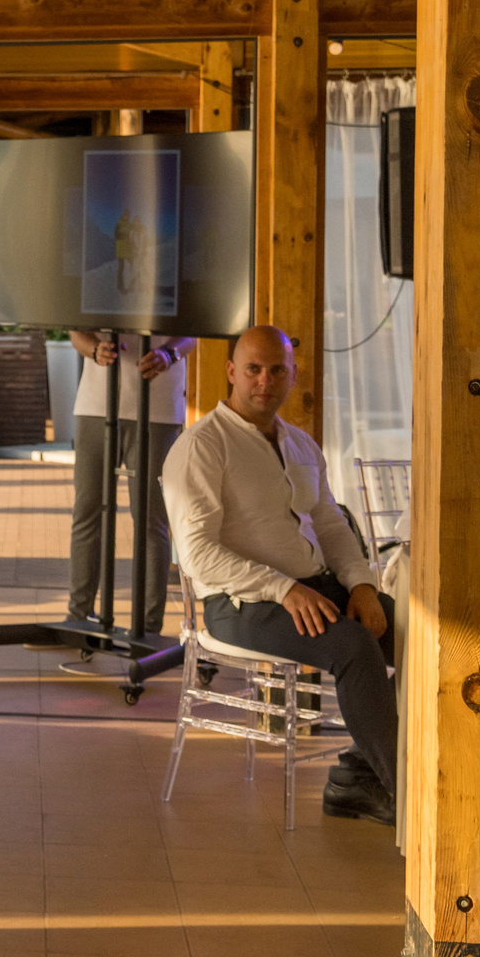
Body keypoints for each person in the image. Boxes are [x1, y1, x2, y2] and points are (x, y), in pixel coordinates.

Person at [164, 326, 395, 823]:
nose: (264, 380)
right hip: (240, 604)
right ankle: (412, 797)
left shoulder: (301, 444)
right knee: (353, 647)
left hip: (315, 587)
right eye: (252, 369)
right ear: (231, 372)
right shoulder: (202, 446)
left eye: (276, 370)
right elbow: (197, 553)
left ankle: (362, 773)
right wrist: (281, 588)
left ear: (293, 374)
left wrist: (362, 584)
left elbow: (331, 526)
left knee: (419, 632)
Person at [66, 331, 194, 638]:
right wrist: (94, 349)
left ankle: (148, 627)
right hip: (95, 404)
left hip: (159, 407)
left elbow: (191, 333)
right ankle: (78, 615)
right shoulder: (97, 280)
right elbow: (75, 331)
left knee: (151, 519)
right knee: (87, 511)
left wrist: (169, 354)